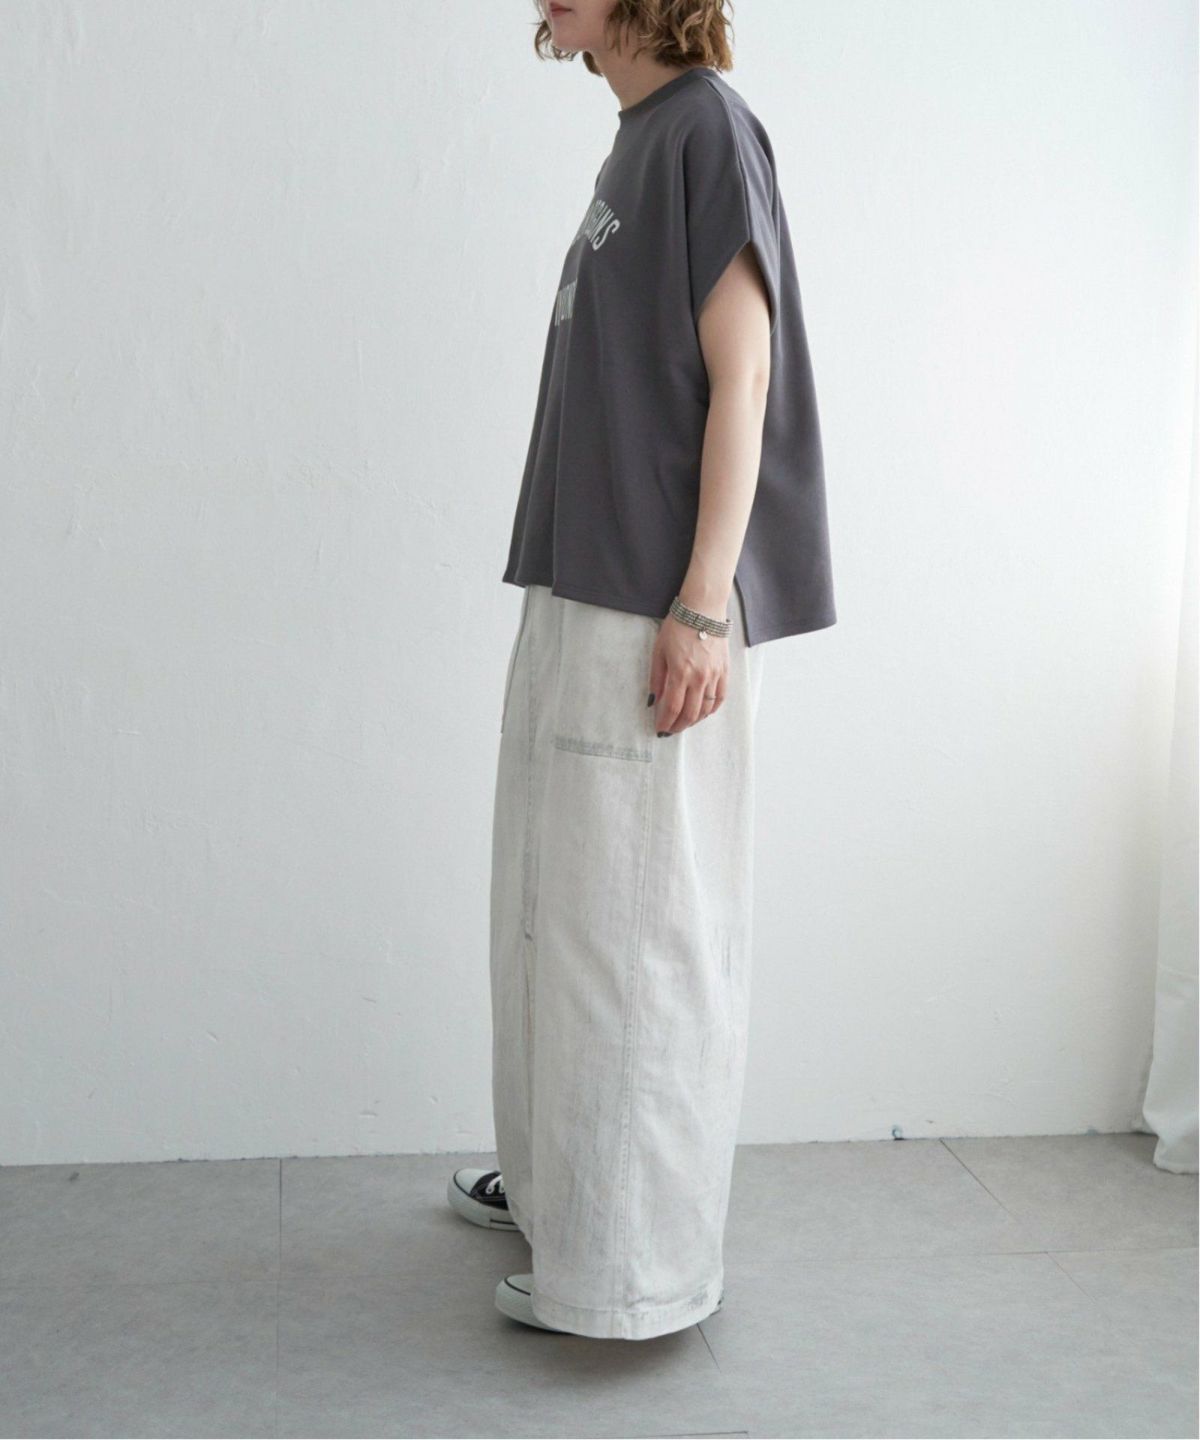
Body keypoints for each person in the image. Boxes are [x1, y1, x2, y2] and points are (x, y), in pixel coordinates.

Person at [447, 0, 836, 1340]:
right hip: (583, 587)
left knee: (636, 934)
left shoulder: (706, 129)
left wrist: (703, 602)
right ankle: (561, 1195)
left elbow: (746, 377)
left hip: (653, 608)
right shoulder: (639, 136)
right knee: (551, 916)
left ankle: (629, 1270)